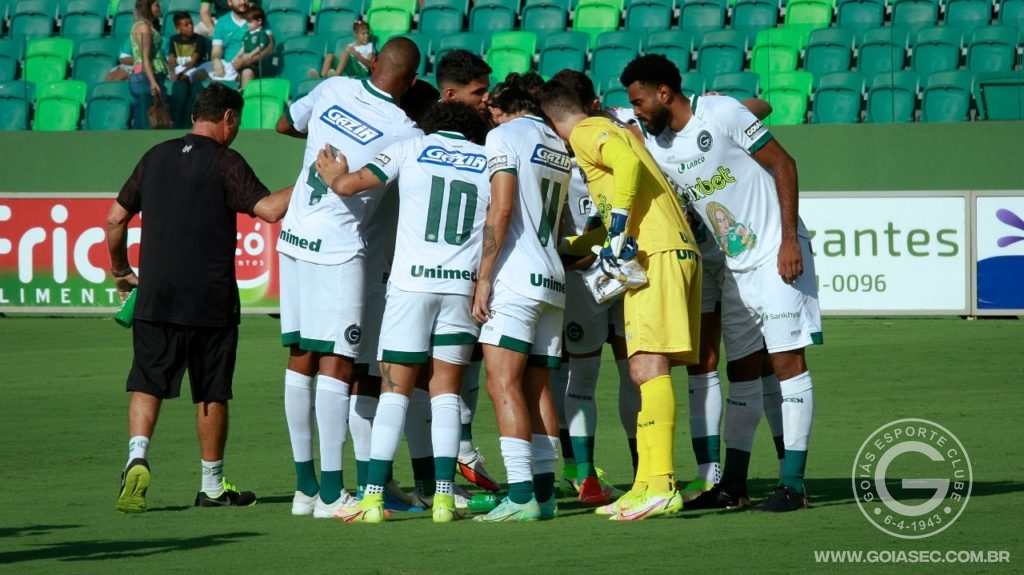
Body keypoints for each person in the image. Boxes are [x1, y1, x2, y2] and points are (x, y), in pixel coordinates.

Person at [620, 54, 821, 512]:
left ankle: (793, 484)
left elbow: (784, 165)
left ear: (664, 94)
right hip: (736, 267)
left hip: (776, 253)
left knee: (787, 362)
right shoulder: (661, 146)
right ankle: (732, 485)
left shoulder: (720, 113)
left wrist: (790, 240)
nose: (636, 110)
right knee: (743, 370)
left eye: (639, 101)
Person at [107, 82, 292, 514]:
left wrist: (121, 272)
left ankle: (137, 456)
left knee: (146, 381)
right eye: (238, 122)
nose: (237, 130)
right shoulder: (225, 161)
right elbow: (268, 210)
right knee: (210, 390)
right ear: (227, 117)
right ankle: (211, 485)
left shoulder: (154, 157)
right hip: (210, 299)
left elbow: (115, 220)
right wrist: (311, 179)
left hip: (156, 295)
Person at [314, 101, 491, 523]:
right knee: (446, 390)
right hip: (461, 288)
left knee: (395, 389)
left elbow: (351, 185)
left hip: (411, 286)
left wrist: (334, 176)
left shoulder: (411, 146)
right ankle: (445, 499)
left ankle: (373, 498)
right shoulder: (487, 159)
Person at [538, 79, 702, 521]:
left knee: (648, 365)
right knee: (642, 365)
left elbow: (626, 164)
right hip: (664, 250)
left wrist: (618, 227)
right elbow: (618, 206)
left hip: (658, 252)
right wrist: (573, 244)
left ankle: (662, 484)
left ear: (554, 121)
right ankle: (645, 483)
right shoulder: (602, 130)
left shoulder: (588, 130)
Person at [274, 37, 422, 519]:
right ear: (413, 82)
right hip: (340, 252)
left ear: (373, 63)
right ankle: (334, 495)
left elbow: (283, 124)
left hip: (295, 236)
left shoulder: (332, 86)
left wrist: (322, 135)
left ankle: (305, 489)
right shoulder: (405, 130)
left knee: (301, 357)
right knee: (341, 364)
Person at [471, 73, 570, 522]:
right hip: (553, 278)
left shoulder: (502, 136)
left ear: (499, 109)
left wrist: (484, 277)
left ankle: (522, 494)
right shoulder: (555, 140)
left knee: (501, 384)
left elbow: (502, 207)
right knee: (538, 387)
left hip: (517, 279)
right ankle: (545, 496)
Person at [545, 69, 637, 506]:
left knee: (590, 376)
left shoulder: (597, 137)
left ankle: (593, 475)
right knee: (630, 374)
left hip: (601, 271)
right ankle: (610, 476)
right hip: (611, 269)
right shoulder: (619, 131)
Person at [434, 48, 501, 494]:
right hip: (427, 274)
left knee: (466, 360)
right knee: (432, 374)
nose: (486, 100)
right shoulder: (427, 133)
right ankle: (439, 467)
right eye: (479, 92)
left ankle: (461, 447)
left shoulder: (488, 133)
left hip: (471, 271)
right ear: (451, 94)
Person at [195, 0, 266, 85]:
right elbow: (216, 50)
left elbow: (266, 47)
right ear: (229, 2)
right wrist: (216, 60)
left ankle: (242, 95)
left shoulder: (256, 20)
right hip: (228, 65)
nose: (243, 2)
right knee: (199, 74)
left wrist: (245, 61)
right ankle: (213, 92)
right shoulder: (221, 22)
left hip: (247, 65)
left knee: (247, 73)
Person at [127, 0, 168, 129]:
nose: (159, 8)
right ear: (148, 7)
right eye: (156, 5)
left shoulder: (147, 26)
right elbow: (145, 57)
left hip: (147, 77)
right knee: (144, 121)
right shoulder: (143, 27)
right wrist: (153, 82)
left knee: (144, 118)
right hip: (145, 77)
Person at [166, 11, 208, 128]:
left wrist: (181, 73)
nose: (190, 26)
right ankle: (177, 122)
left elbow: (194, 60)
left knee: (187, 84)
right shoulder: (173, 39)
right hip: (180, 71)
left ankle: (188, 123)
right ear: (178, 28)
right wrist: (173, 72)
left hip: (194, 70)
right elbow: (171, 59)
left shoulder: (199, 39)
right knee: (180, 89)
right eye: (186, 25)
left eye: (191, 23)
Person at [435, 49, 492, 118]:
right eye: (478, 92)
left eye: (487, 89)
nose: (487, 98)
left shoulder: (496, 119)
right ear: (451, 95)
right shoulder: (429, 125)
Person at [237, 6, 274, 89]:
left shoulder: (261, 33)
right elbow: (243, 47)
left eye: (250, 22)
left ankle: (245, 95)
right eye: (247, 22)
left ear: (259, 21)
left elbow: (261, 47)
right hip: (244, 61)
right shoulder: (247, 33)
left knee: (247, 72)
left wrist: (251, 54)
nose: (248, 24)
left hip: (255, 65)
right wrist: (237, 56)